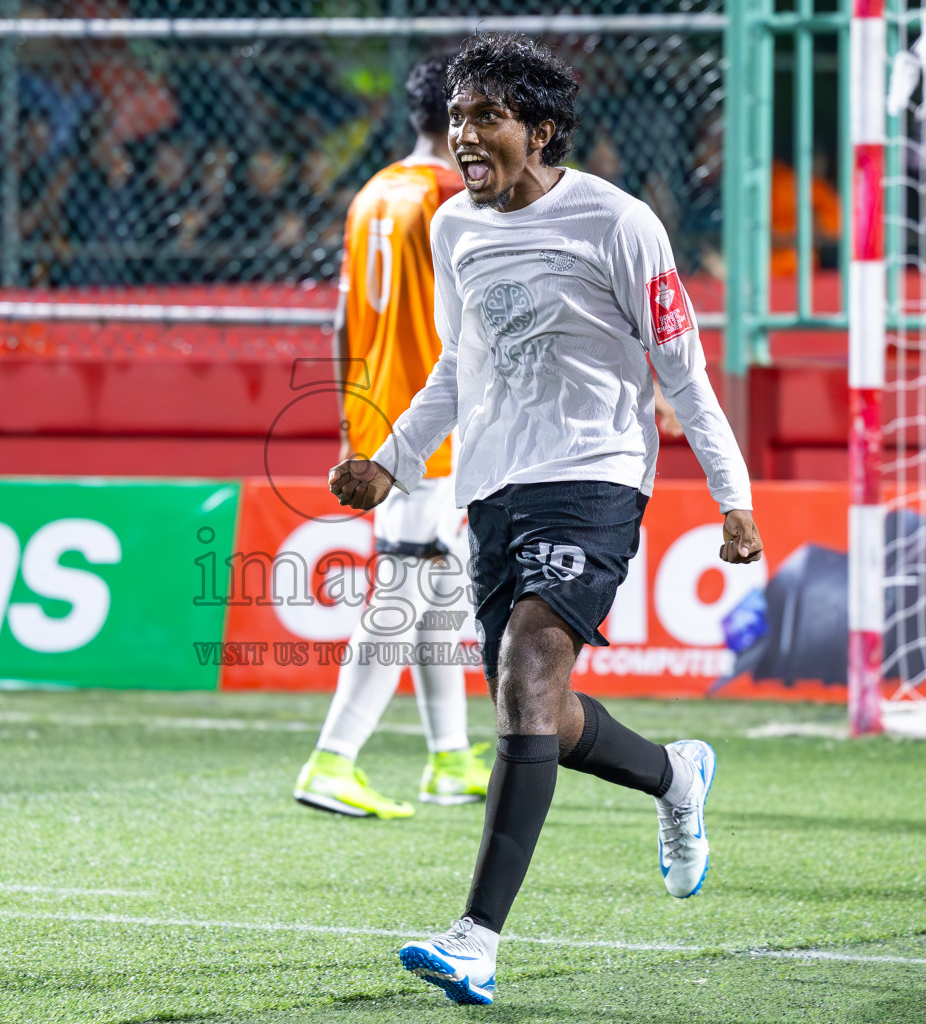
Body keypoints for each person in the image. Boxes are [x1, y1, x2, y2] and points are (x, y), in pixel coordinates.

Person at [327, 34, 764, 1004]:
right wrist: (393, 463)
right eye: (457, 119)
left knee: (528, 667)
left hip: (597, 476)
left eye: (487, 117)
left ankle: (475, 937)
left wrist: (734, 498)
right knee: (541, 710)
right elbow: (456, 366)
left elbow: (682, 370)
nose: (466, 136)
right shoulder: (452, 230)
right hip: (491, 492)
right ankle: (673, 776)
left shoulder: (619, 223)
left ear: (542, 128)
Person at [294, 53, 491, 821]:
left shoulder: (373, 191)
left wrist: (351, 423)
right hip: (429, 422)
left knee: (437, 586)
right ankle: (332, 759)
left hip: (379, 415)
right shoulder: (452, 193)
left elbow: (342, 319)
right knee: (404, 590)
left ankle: (447, 757)